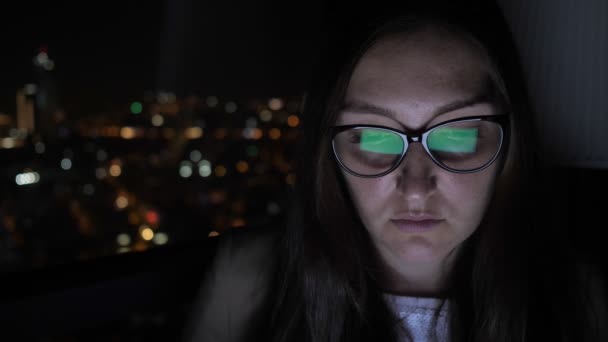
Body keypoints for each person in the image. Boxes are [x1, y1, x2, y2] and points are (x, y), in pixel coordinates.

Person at [182, 1, 607, 341]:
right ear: (327, 151)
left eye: (456, 136)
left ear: (510, 142)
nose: (416, 188)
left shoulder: (576, 296)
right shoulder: (250, 280)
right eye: (375, 138)